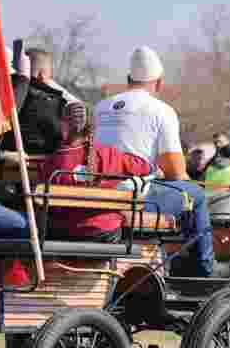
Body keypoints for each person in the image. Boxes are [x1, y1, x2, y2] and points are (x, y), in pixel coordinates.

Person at [93, 46, 214, 277]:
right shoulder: (161, 111)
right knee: (196, 196)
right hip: (135, 198)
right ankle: (202, 271)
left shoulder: (101, 108)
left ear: (129, 79)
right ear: (158, 83)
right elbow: (177, 173)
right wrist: (182, 180)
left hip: (100, 194)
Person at [37, 101, 151, 242]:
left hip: (62, 234)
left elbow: (43, 203)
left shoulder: (52, 162)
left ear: (64, 125)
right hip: (105, 233)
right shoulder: (111, 154)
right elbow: (145, 167)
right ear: (92, 127)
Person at [0, 48, 70, 155]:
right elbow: (60, 138)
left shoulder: (1, 95)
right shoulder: (51, 103)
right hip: (35, 167)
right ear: (42, 75)